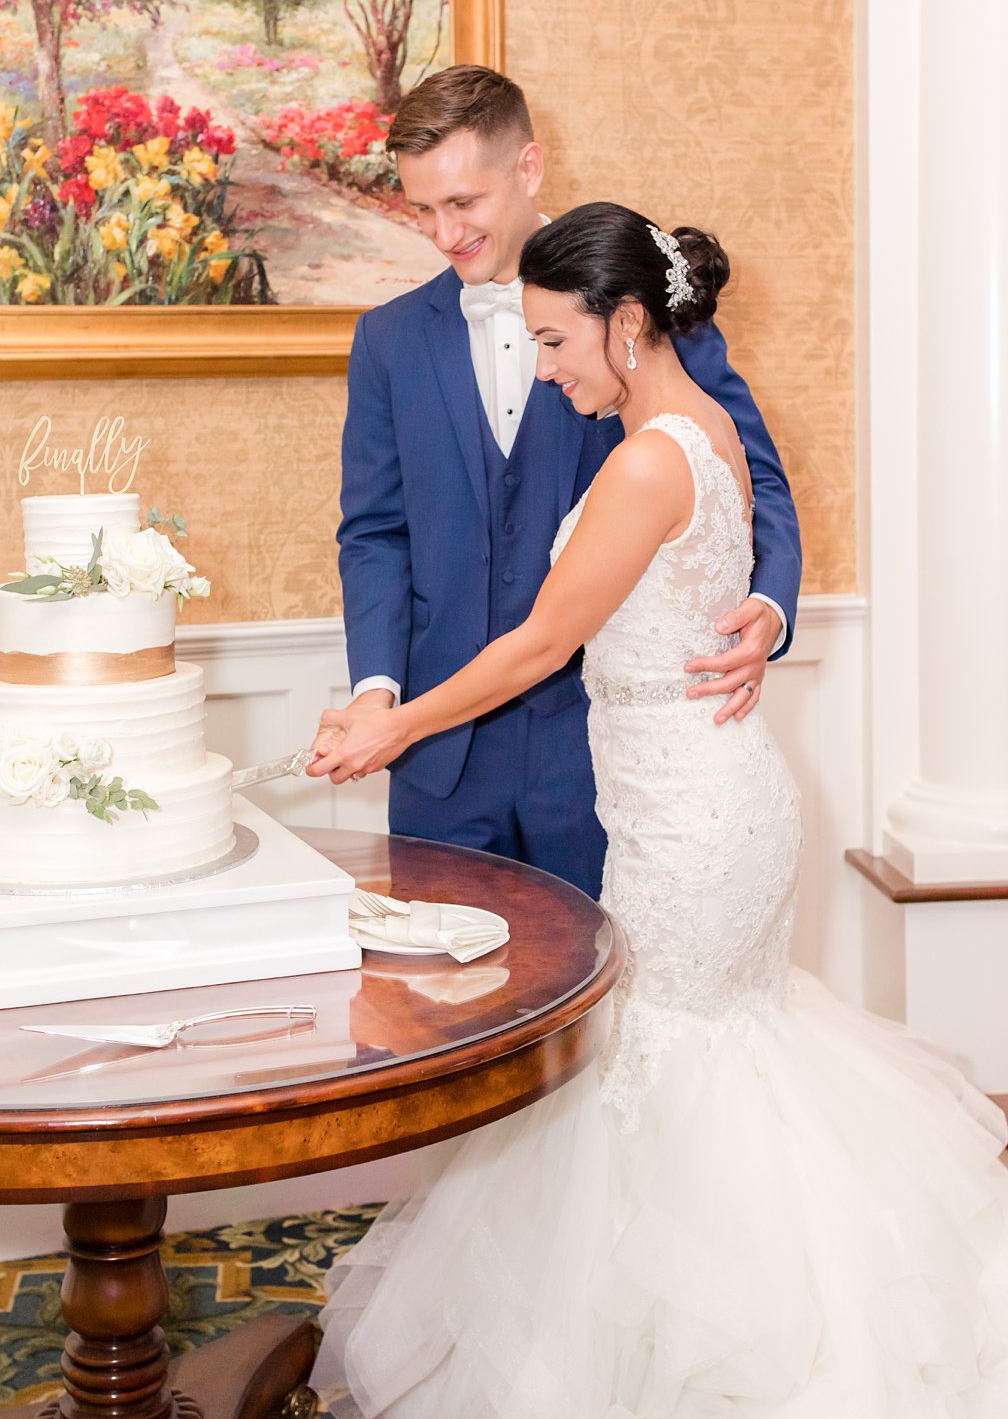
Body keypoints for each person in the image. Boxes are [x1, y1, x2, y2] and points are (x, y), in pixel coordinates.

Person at [306, 201, 1008, 1419]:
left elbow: (536, 645)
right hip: (688, 799)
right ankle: (671, 1377)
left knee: (683, 1076)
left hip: (697, 820)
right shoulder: (687, 423)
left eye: (553, 339)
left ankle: (745, 1401)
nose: (546, 368)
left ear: (625, 322)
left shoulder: (659, 454)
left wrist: (391, 720)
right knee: (686, 1073)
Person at [337, 65, 801, 900]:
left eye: (464, 202)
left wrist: (766, 608)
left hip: (598, 757)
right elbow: (374, 533)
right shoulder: (389, 340)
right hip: (437, 758)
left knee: (598, 1016)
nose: (445, 234)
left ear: (529, 169)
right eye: (424, 209)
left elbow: (748, 471)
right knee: (445, 1013)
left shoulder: (635, 303)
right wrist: (379, 692)